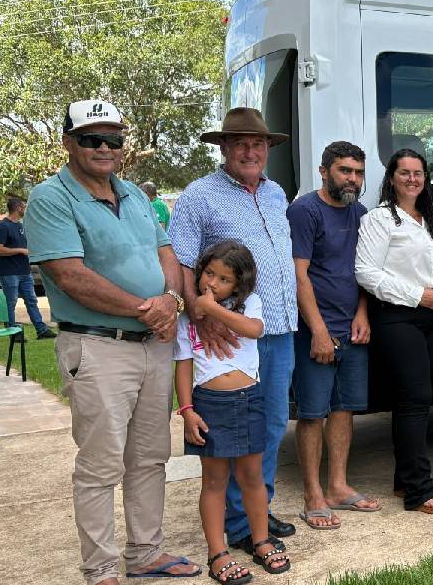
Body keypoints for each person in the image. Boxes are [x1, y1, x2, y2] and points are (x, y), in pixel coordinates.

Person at [25, 99, 198, 584]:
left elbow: (166, 253)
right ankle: (100, 569)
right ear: (68, 143)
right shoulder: (50, 197)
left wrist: (170, 299)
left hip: (152, 344)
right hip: (98, 346)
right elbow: (69, 275)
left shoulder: (135, 195)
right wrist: (149, 308)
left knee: (150, 458)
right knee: (100, 464)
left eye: (113, 139)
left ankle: (146, 553)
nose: (104, 147)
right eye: (91, 138)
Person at [168, 107, 299, 553]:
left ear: (267, 148)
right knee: (232, 433)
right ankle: (240, 525)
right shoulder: (199, 195)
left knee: (270, 426)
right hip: (229, 336)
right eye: (240, 143)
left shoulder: (276, 192)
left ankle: (258, 510)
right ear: (223, 147)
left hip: (278, 329)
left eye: (257, 143)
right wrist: (200, 315)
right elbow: (182, 263)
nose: (249, 151)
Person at [175, 241, 291, 582]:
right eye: (209, 273)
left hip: (249, 398)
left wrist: (211, 309)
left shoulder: (249, 303)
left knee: (252, 476)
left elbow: (254, 329)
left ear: (239, 285)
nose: (212, 283)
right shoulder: (188, 317)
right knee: (214, 481)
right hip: (209, 404)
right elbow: (183, 365)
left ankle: (260, 540)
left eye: (224, 279)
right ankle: (218, 553)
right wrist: (187, 410)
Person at [355, 149, 433, 515]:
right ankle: (419, 490)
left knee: (414, 402)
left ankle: (404, 479)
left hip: (432, 316)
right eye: (404, 173)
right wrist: (416, 295)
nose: (412, 179)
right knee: (415, 399)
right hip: (398, 317)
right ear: (392, 178)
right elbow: (366, 272)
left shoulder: (431, 219)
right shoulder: (379, 219)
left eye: (418, 173)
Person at [287, 141, 378, 530]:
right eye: (345, 171)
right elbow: (298, 275)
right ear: (324, 172)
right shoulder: (304, 211)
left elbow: (364, 269)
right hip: (316, 331)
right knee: (312, 413)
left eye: (358, 172)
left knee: (344, 409)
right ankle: (313, 494)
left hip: (351, 329)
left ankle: (338, 486)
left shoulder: (361, 213)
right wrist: (319, 330)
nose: (352, 179)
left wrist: (362, 313)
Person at [0, 197, 56, 338]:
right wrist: (20, 250)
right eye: (24, 206)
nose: (26, 209)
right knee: (11, 303)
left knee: (31, 300)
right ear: (18, 208)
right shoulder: (2, 226)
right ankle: (13, 333)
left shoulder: (21, 226)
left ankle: (42, 330)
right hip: (9, 273)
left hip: (24, 271)